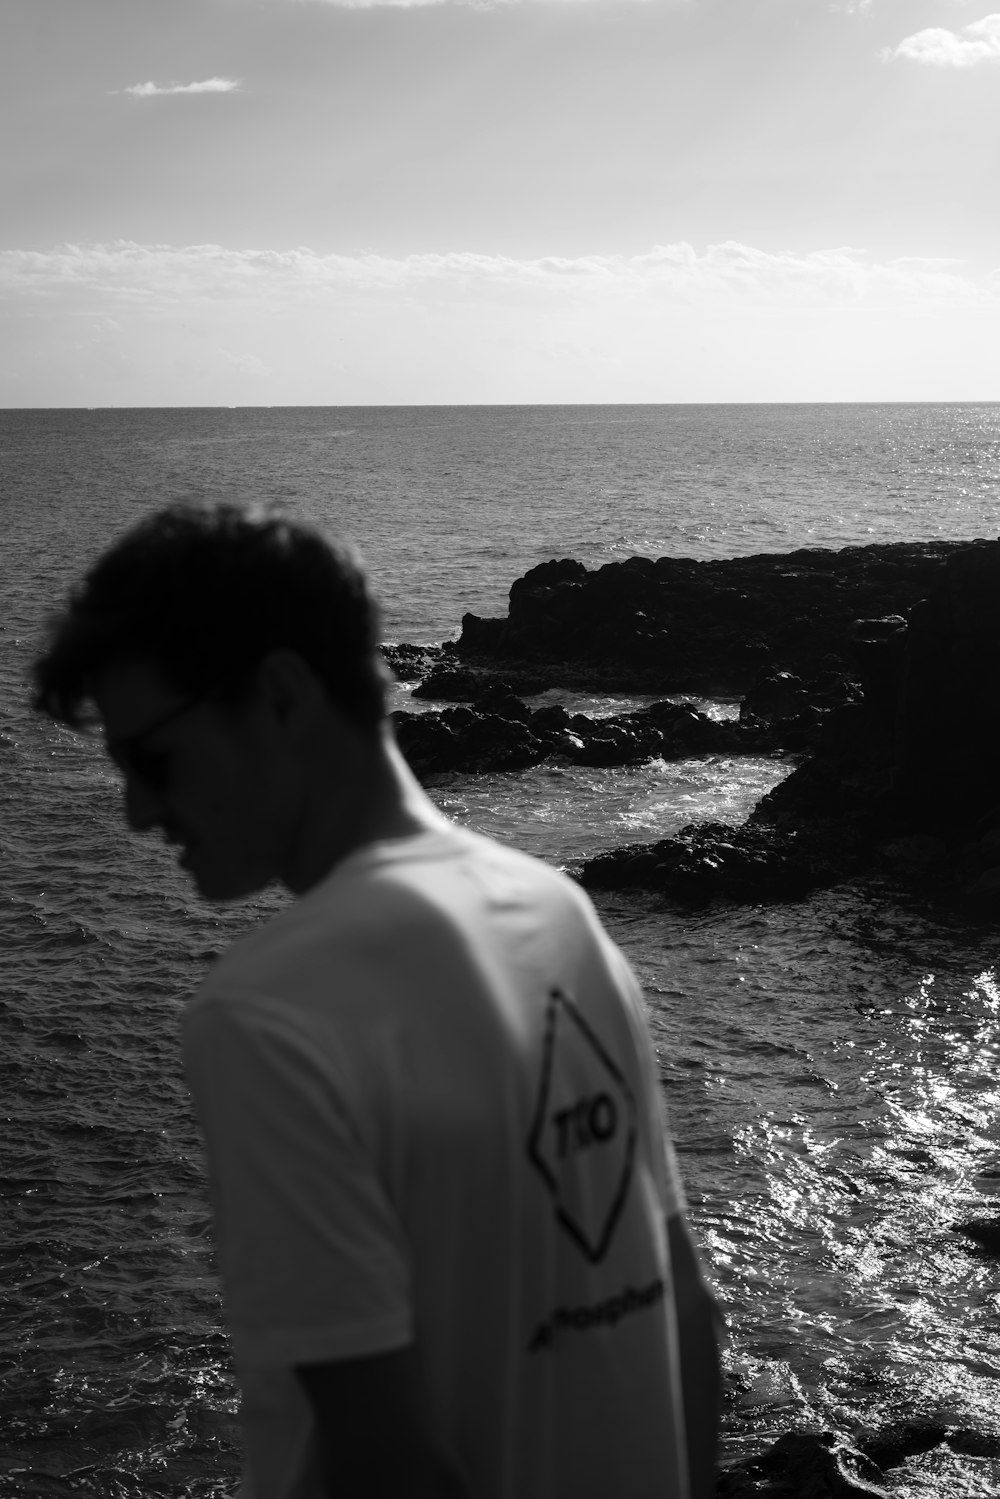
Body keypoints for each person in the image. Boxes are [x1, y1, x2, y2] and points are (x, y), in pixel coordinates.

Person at [33, 501, 722, 1499]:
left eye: (153, 758)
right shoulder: (558, 914)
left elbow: (385, 1468)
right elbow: (684, 1315)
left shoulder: (270, 1011)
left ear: (278, 695)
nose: (138, 809)